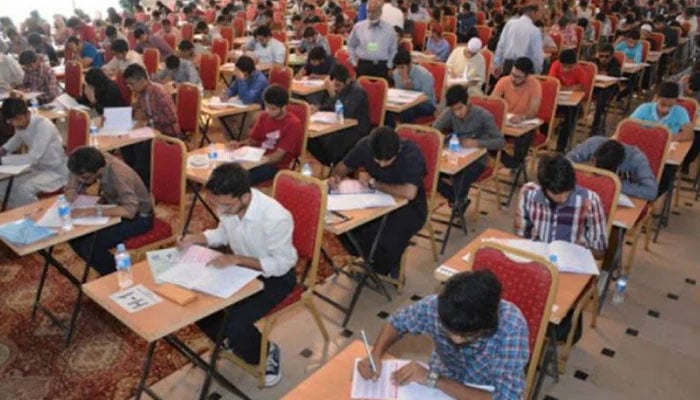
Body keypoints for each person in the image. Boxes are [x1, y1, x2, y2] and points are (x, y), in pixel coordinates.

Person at [179, 163, 296, 387]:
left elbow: (282, 264)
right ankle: (231, 341)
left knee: (236, 322)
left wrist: (238, 259)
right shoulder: (230, 206)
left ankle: (264, 352)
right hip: (242, 270)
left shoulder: (275, 217)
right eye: (215, 204)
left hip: (275, 277)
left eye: (224, 205)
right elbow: (223, 233)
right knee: (200, 305)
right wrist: (197, 238)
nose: (219, 210)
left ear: (243, 197)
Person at [358, 269, 529, 399]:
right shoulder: (436, 306)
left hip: (485, 388)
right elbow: (397, 322)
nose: (456, 339)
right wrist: (376, 354)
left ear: (487, 326)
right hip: (445, 372)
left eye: (467, 336)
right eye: (448, 331)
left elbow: (507, 396)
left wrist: (436, 380)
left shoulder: (511, 327)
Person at [331, 126, 427, 277]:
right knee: (341, 224)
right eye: (378, 160)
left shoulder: (411, 152)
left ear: (398, 150)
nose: (382, 164)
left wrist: (373, 183)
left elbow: (410, 193)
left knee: (385, 236)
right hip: (374, 199)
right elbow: (342, 167)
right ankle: (371, 260)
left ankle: (379, 266)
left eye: (387, 160)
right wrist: (336, 177)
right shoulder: (366, 145)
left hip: (409, 206)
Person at [66, 147, 154, 276]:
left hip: (140, 217)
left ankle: (115, 275)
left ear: (99, 170)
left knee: (90, 246)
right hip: (113, 205)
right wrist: (71, 189)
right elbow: (75, 174)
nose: (81, 181)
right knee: (74, 238)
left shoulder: (119, 175)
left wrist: (93, 211)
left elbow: (129, 211)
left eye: (85, 177)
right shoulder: (94, 158)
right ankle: (109, 271)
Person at [516, 154, 608, 258]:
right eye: (556, 194)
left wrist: (575, 251)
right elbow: (521, 236)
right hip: (538, 258)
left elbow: (600, 251)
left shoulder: (590, 200)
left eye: (567, 192)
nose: (562, 199)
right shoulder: (529, 194)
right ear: (543, 187)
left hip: (573, 261)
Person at [433, 84, 505, 207]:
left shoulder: (483, 116)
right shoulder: (450, 112)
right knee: (430, 171)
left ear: (468, 102)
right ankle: (456, 199)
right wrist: (444, 139)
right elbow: (433, 132)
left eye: (460, 108)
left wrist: (477, 143)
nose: (457, 113)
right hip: (455, 154)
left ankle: (457, 200)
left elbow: (500, 142)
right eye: (453, 110)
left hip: (477, 159)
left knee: (462, 175)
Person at [0, 98, 68, 208]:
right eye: (11, 121)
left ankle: (36, 214)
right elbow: (16, 139)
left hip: (55, 171)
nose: (15, 124)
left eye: (17, 119)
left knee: (24, 189)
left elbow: (32, 158)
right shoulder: (21, 124)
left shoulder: (43, 126)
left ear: (27, 114)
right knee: (2, 185)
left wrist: (2, 160)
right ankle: (17, 212)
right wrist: (3, 150)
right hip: (37, 168)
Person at [229, 85, 303, 185]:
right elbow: (253, 141)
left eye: (273, 109)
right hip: (256, 158)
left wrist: (256, 162)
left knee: (238, 180)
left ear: (284, 107)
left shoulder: (293, 124)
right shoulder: (264, 116)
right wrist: (240, 145)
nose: (268, 111)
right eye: (266, 106)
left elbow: (278, 156)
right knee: (227, 171)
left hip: (276, 166)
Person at [122, 64, 181, 186]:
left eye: (132, 84)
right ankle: (136, 178)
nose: (130, 87)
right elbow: (138, 113)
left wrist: (149, 121)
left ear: (143, 80)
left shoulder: (158, 92)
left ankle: (143, 185)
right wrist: (135, 113)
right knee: (126, 146)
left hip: (166, 134)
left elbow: (171, 118)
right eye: (128, 84)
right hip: (149, 131)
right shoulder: (140, 93)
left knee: (143, 151)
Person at [631, 81, 694, 194]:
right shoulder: (644, 109)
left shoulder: (680, 112)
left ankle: (649, 199)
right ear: (656, 98)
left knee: (667, 176)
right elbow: (628, 127)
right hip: (641, 149)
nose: (666, 110)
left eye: (670, 106)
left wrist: (669, 138)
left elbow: (689, 134)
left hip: (664, 153)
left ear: (676, 102)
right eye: (663, 105)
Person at [308, 64, 370, 166]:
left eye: (338, 85)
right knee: (311, 139)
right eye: (334, 85)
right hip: (341, 125)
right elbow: (331, 104)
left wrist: (333, 93)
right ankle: (330, 163)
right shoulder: (342, 88)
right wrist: (318, 108)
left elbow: (346, 112)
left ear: (347, 81)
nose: (336, 88)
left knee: (331, 141)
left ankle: (335, 165)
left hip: (357, 129)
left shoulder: (357, 91)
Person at [567, 137, 658, 200]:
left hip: (617, 196)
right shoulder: (593, 143)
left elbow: (651, 192)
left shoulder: (637, 159)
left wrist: (615, 185)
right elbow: (566, 161)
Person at [548, 49, 589, 152]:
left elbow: (582, 87)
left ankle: (561, 146)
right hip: (558, 100)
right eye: (563, 66)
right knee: (547, 112)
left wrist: (563, 87)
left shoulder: (579, 71)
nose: (566, 69)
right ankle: (546, 140)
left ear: (575, 64)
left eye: (569, 66)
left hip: (573, 103)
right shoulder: (555, 65)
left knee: (570, 117)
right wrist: (571, 87)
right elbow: (552, 83)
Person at [346, 0, 398, 79]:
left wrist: (389, 66)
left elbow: (393, 50)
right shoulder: (359, 27)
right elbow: (350, 45)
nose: (370, 15)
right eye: (368, 12)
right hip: (363, 65)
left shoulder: (389, 29)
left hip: (381, 66)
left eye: (373, 12)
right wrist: (353, 61)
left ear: (380, 12)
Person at [494, 3, 544, 76]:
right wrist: (537, 71)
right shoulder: (534, 30)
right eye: (539, 13)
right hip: (524, 68)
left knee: (507, 87)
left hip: (507, 64)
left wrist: (497, 63)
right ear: (533, 12)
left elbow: (501, 45)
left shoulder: (510, 23)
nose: (540, 16)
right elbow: (537, 56)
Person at [388, 49, 436, 125]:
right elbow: (398, 93)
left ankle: (406, 133)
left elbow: (426, 96)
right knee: (387, 111)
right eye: (397, 67)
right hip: (404, 102)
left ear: (409, 65)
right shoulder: (396, 73)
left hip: (426, 104)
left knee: (407, 110)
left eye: (402, 67)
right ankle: (391, 132)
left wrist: (410, 87)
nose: (399, 70)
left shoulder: (424, 74)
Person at [591, 44, 621, 136]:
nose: (603, 59)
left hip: (609, 89)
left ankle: (595, 125)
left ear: (612, 56)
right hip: (595, 87)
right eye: (601, 56)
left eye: (606, 56)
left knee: (601, 99)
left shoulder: (615, 63)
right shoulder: (593, 62)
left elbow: (614, 77)